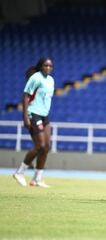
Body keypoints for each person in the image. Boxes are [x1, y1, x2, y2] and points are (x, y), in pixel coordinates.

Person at [13, 58, 55, 188]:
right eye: (45, 65)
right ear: (41, 66)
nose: (48, 67)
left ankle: (37, 179)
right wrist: (25, 116)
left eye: (50, 66)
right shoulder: (35, 78)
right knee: (40, 145)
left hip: (44, 115)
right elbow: (25, 96)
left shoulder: (51, 80)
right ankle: (20, 172)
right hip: (33, 113)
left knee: (47, 146)